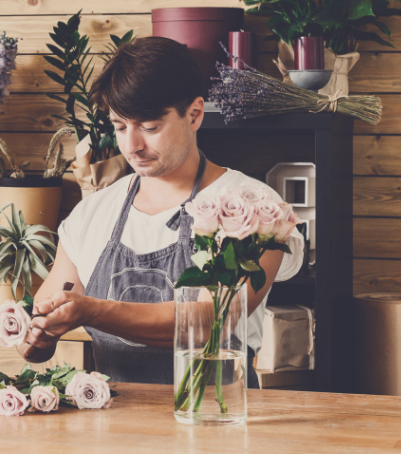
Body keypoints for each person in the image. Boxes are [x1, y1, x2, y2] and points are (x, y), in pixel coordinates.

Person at [19, 37, 304, 384]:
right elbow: (41, 337)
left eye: (150, 127)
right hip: (112, 426)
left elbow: (210, 321)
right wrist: (35, 333)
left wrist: (91, 309)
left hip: (216, 421)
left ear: (195, 114)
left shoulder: (253, 208)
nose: (132, 146)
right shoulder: (92, 214)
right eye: (120, 127)